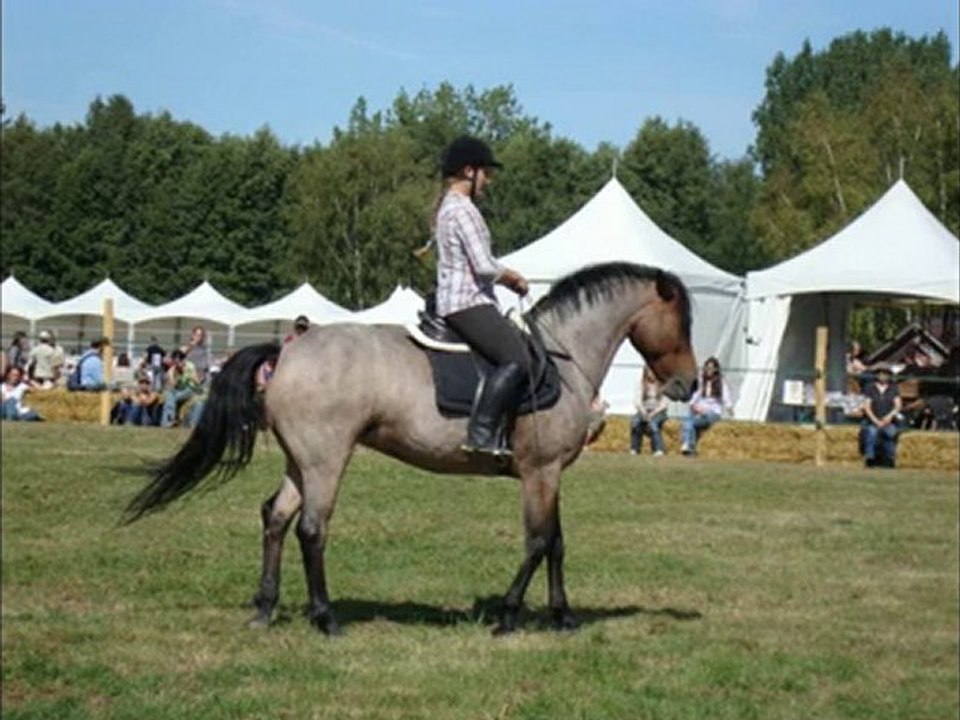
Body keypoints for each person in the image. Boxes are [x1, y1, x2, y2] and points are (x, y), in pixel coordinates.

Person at [431, 135, 531, 456]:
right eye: (486, 174)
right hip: (467, 301)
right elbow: (485, 266)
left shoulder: (447, 207)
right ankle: (482, 433)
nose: (488, 181)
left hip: (452, 300)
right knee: (518, 358)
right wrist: (513, 277)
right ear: (469, 171)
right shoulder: (464, 210)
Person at [680, 357, 732, 456]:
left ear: (716, 369)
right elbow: (695, 397)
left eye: (711, 368)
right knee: (689, 418)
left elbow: (727, 400)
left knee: (690, 422)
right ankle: (689, 447)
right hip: (700, 410)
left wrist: (731, 413)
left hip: (712, 413)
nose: (709, 370)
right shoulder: (702, 382)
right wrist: (693, 406)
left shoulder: (721, 383)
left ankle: (688, 444)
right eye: (707, 368)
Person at [861, 365, 902, 468]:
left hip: (888, 420)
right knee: (871, 433)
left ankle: (890, 459)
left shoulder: (894, 388)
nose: (883, 376)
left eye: (886, 373)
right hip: (873, 420)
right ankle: (870, 459)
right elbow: (867, 406)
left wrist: (889, 417)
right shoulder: (870, 388)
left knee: (891, 433)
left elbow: (898, 405)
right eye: (881, 373)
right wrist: (875, 420)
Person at [630, 366, 670, 456]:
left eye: (653, 371)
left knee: (653, 424)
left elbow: (665, 403)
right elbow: (637, 400)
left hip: (659, 411)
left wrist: (653, 413)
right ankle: (635, 449)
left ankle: (658, 449)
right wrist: (643, 411)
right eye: (649, 371)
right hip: (644, 410)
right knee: (635, 422)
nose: (651, 373)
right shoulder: (640, 384)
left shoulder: (663, 385)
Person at [160, 349, 201, 427]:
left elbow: (196, 382)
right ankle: (168, 422)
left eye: (179, 359)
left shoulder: (190, 366)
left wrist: (186, 373)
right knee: (170, 395)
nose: (177, 361)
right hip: (178, 391)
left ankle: (167, 422)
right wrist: (176, 374)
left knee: (171, 397)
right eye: (175, 359)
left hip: (190, 389)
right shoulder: (171, 371)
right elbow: (172, 385)